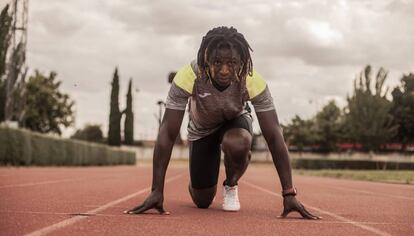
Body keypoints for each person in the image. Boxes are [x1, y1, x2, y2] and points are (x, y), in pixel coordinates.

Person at [125, 26, 320, 219]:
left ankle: (231, 183)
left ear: (242, 62)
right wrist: (156, 190)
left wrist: (289, 193)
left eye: (232, 62)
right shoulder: (188, 76)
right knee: (203, 201)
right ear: (206, 59)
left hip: (235, 122)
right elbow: (167, 133)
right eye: (217, 62)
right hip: (201, 130)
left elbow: (274, 136)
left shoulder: (251, 79)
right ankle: (198, 179)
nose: (225, 70)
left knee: (238, 142)